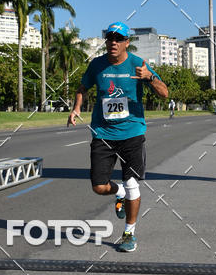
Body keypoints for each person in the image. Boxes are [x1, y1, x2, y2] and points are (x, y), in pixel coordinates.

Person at [68, 21, 168, 252]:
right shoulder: (97, 65)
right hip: (102, 133)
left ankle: (128, 234)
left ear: (126, 42)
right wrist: (76, 108)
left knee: (132, 183)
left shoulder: (138, 64)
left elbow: (164, 93)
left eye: (118, 38)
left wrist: (149, 78)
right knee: (99, 186)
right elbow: (82, 88)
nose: (113, 42)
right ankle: (119, 192)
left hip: (132, 132)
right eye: (109, 37)